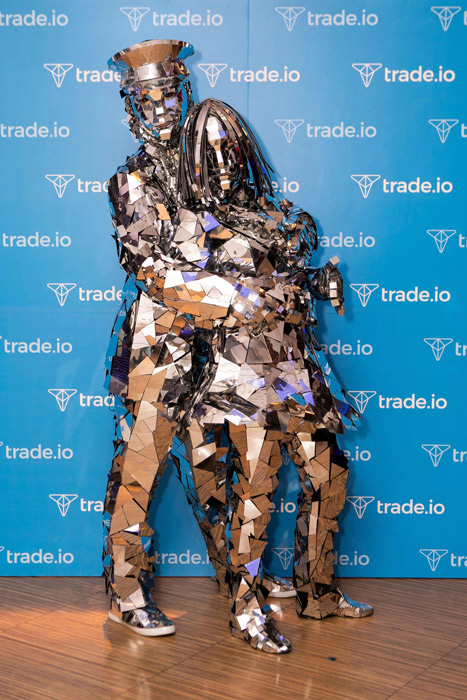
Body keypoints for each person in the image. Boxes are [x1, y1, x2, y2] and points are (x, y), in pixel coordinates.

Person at [103, 39, 372, 654]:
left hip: (226, 356)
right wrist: (248, 300)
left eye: (170, 96)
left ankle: (240, 582)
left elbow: (258, 247)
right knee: (140, 471)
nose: (162, 109)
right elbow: (155, 272)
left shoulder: (212, 163)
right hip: (160, 353)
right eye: (148, 100)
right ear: (131, 107)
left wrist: (298, 281)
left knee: (218, 477)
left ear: (184, 94)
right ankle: (127, 593)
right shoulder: (131, 180)